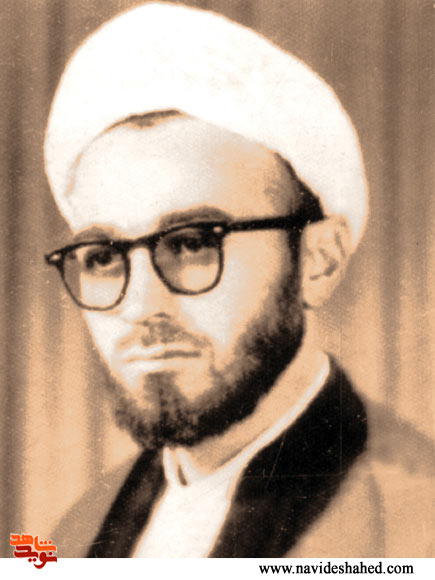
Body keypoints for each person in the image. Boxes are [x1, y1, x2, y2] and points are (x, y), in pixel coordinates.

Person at [44, 2, 433, 558]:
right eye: (104, 257)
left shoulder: (414, 527)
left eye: (192, 244)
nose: (141, 305)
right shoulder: (73, 532)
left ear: (319, 261)